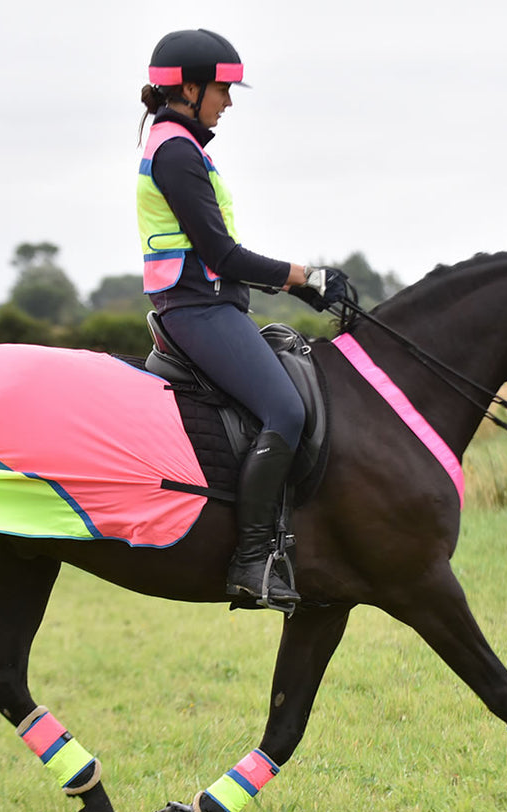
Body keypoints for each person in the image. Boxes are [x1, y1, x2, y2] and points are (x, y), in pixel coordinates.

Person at [137, 28, 348, 607]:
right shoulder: (177, 152)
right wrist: (306, 276)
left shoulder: (183, 144)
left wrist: (299, 291)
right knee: (285, 408)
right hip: (196, 308)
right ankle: (253, 560)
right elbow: (222, 255)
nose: (228, 102)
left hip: (210, 304)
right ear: (189, 87)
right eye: (222, 90)